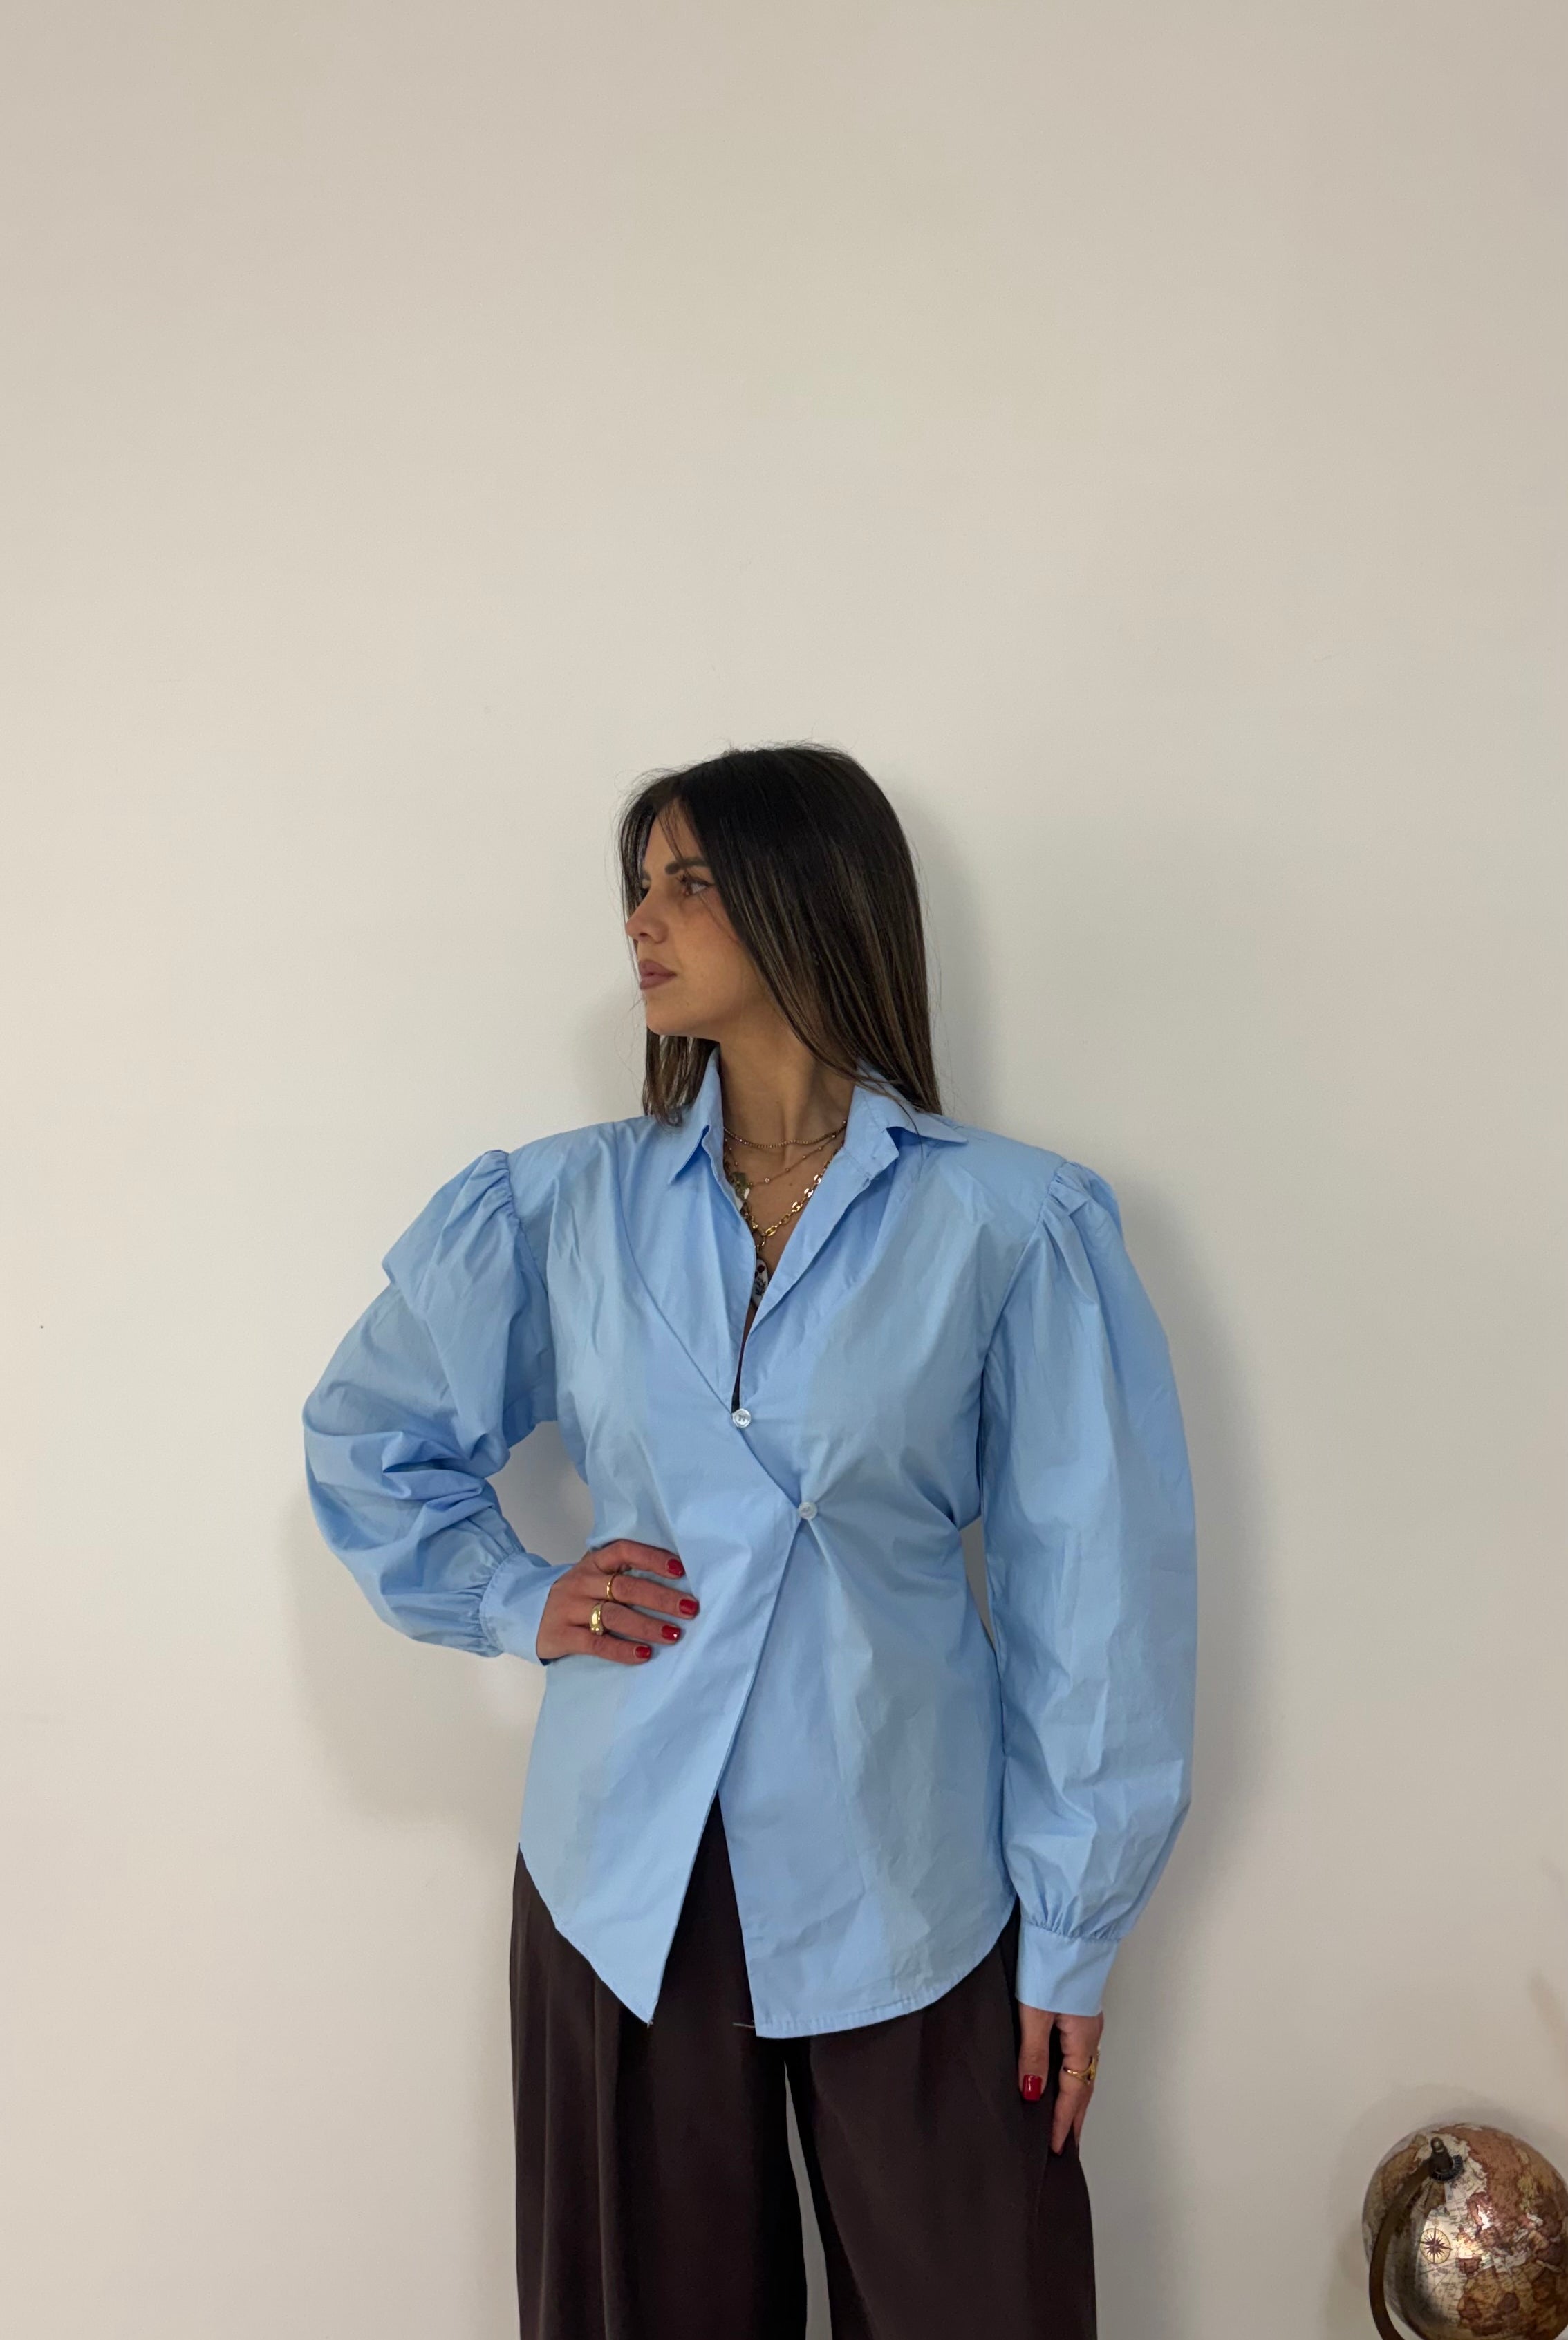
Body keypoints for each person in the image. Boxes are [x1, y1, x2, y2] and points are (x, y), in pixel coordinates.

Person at [301, 743, 1198, 2340]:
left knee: (978, 2300)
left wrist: (1073, 1928)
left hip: (910, 1870)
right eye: (638, 884)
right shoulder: (561, 1208)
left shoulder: (1011, 1224)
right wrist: (515, 1596)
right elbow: (367, 1435)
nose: (642, 920)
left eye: (691, 881)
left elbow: (1098, 1602)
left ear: (808, 896)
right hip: (624, 1873)